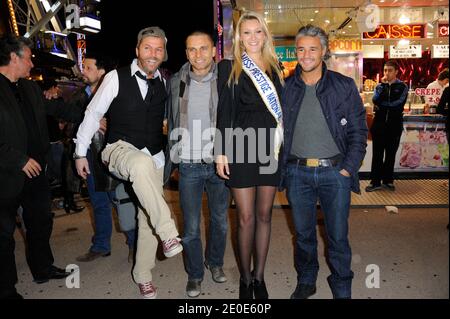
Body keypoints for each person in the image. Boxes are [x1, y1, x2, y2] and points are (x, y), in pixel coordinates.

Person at [74, 26, 182, 299]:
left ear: (164, 53)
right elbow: (92, 113)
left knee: (147, 218)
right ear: (137, 50)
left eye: (158, 49)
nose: (153, 53)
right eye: (147, 47)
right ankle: (169, 232)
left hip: (154, 154)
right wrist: (79, 153)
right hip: (118, 149)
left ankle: (143, 275)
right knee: (141, 167)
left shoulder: (165, 83)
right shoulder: (114, 78)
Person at [280, 25, 368, 299]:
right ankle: (307, 279)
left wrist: (347, 169)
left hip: (335, 173)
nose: (305, 55)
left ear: (324, 51)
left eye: (312, 49)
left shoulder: (343, 86)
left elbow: (358, 132)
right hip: (297, 173)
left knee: (338, 236)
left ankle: (342, 281)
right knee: (304, 235)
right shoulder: (285, 88)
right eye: (301, 49)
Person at [215, 11, 284, 299]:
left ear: (265, 35)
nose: (253, 37)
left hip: (269, 148)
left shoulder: (275, 66)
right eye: (247, 32)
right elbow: (224, 113)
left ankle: (259, 276)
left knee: (265, 215)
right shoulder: (229, 67)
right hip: (241, 147)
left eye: (258, 32)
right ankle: (244, 277)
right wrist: (220, 152)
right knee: (245, 217)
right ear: (239, 37)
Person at [0, 35, 72, 299]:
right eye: (29, 58)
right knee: (4, 234)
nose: (32, 64)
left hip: (36, 172)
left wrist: (93, 113)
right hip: (6, 174)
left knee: (41, 221)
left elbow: (58, 109)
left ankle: (43, 268)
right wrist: (18, 159)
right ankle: (6, 288)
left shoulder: (29, 89)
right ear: (14, 58)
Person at [165, 31, 230, 298]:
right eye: (192, 49)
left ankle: (214, 263)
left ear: (214, 50)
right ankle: (195, 274)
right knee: (190, 227)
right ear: (186, 52)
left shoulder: (226, 79)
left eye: (203, 48)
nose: (198, 54)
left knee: (220, 221)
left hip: (219, 161)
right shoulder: (176, 80)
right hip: (189, 163)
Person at [65, 53, 136, 263]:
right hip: (88, 158)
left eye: (88, 68)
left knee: (122, 201)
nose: (83, 72)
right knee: (98, 203)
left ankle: (134, 244)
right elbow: (68, 127)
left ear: (102, 72)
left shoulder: (117, 93)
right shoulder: (78, 97)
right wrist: (91, 122)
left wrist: (111, 123)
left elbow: (130, 123)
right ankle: (101, 245)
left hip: (113, 157)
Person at [366, 60, 408, 192]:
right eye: (385, 70)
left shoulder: (402, 86)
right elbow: (374, 100)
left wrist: (382, 105)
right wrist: (384, 87)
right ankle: (375, 182)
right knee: (377, 154)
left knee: (390, 154)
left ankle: (388, 180)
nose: (387, 73)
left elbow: (398, 104)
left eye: (390, 70)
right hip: (379, 125)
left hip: (394, 125)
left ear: (396, 72)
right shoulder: (380, 86)